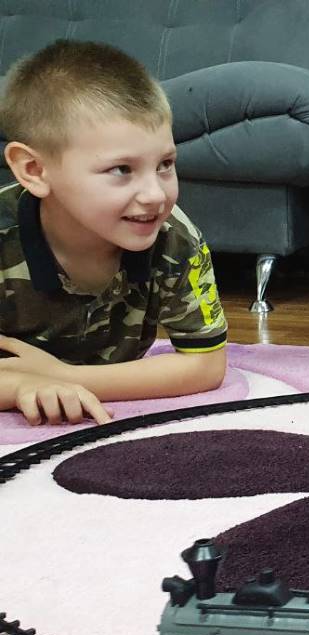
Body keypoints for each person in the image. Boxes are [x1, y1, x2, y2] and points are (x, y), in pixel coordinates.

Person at [0, 40, 227, 427]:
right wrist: (21, 386)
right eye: (121, 169)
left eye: (165, 164)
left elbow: (206, 365)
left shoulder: (174, 236)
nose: (155, 195)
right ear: (34, 170)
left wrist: (63, 377)